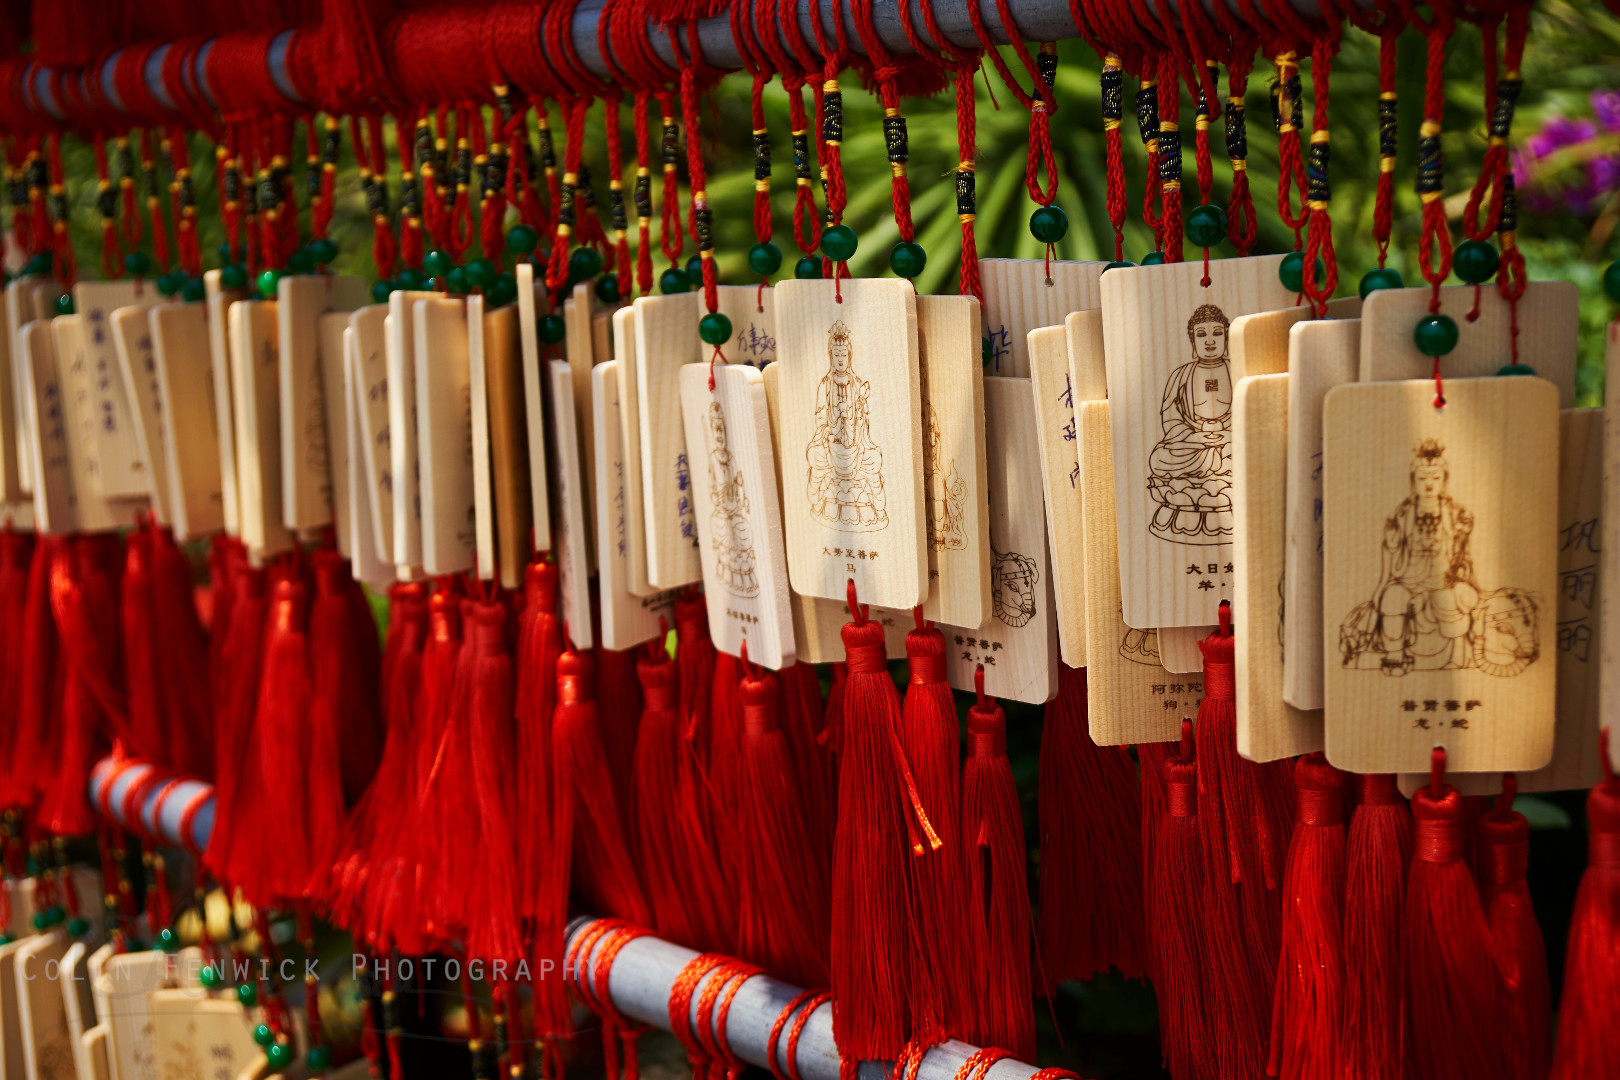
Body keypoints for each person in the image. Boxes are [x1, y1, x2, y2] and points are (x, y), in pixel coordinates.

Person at [1339, 439, 1539, 677]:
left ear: (1444, 479)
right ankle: (1395, 654)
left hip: (1444, 578)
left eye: (1435, 477)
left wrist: (1462, 536)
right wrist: (1392, 544)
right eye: (1423, 478)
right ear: (1414, 480)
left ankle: (1457, 654)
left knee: (1454, 599)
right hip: (1409, 577)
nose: (1429, 484)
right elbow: (1392, 555)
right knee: (1392, 598)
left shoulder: (1453, 512)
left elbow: (1462, 557)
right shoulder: (1404, 513)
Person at [1146, 303, 1234, 542]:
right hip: (1192, 448)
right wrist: (1195, 437)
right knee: (1159, 458)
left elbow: (1252, 414)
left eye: (1217, 333)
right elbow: (1170, 418)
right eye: (1201, 334)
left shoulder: (1238, 370)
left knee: (1247, 452)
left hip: (1230, 445)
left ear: (1227, 338)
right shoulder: (1181, 375)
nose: (1209, 341)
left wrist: (1229, 435)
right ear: (1192, 341)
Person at [806, 320, 887, 530]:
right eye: (836, 355)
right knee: (814, 455)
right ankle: (815, 502)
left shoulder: (857, 383)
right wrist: (832, 426)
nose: (840, 360)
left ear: (849, 356)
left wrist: (857, 409)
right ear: (831, 357)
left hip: (856, 447)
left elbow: (864, 423)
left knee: (875, 458)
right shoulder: (825, 385)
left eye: (844, 355)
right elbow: (820, 419)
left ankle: (879, 512)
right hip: (832, 446)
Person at [705, 403, 757, 596]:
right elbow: (711, 485)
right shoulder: (713, 457)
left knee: (742, 530)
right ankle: (728, 575)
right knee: (720, 527)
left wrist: (741, 498)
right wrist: (716, 497)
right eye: (716, 430)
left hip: (735, 509)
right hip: (722, 511)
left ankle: (745, 578)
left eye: (722, 430)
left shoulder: (731, 457)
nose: (719, 435)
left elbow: (739, 482)